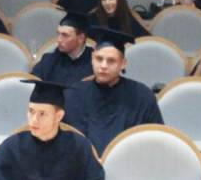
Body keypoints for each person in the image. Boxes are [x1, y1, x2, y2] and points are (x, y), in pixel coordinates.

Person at [62, 28, 162, 156]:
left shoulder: (142, 96)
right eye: (99, 59)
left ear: (123, 64)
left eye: (111, 61)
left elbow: (155, 142)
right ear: (92, 58)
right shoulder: (73, 95)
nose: (103, 66)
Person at [31, 12, 93, 88]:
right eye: (58, 34)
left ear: (81, 38)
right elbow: (31, 85)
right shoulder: (48, 61)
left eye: (65, 35)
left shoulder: (94, 63)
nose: (59, 40)